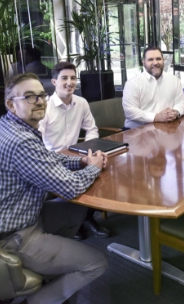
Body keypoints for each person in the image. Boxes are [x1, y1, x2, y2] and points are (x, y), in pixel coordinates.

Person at [0, 73, 108, 304]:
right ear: (11, 104)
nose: (39, 101)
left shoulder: (9, 124)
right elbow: (70, 187)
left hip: (19, 220)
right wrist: (94, 167)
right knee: (96, 262)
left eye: (40, 95)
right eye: (28, 96)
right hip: (12, 238)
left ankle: (51, 268)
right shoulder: (20, 141)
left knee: (74, 210)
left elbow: (45, 158)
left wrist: (80, 162)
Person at [39, 62, 110, 239]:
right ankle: (71, 222)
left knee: (101, 171)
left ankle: (87, 218)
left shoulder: (81, 103)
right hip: (52, 160)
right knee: (74, 180)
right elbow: (37, 140)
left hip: (77, 156)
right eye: (64, 78)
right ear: (54, 82)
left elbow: (92, 129)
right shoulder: (45, 108)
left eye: (72, 78)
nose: (69, 82)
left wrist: (88, 151)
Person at [122, 45, 184, 129]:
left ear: (163, 60)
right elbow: (130, 111)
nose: (155, 63)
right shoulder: (133, 84)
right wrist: (155, 117)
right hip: (137, 131)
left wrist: (176, 112)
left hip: (166, 129)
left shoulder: (174, 80)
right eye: (150, 59)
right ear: (143, 62)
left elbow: (181, 102)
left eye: (158, 59)